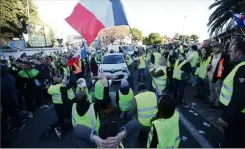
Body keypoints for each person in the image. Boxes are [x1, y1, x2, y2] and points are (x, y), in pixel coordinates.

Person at [216, 39, 245, 148]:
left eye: (231, 51)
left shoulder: (243, 68)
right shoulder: (239, 65)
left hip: (236, 113)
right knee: (232, 136)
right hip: (234, 111)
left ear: (239, 53)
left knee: (235, 138)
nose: (229, 53)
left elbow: (241, 97)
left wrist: (226, 116)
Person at [74, 119, 141, 148]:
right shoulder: (125, 145)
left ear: (99, 135)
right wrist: (123, 134)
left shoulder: (91, 145)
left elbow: (77, 129)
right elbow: (137, 123)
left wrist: (94, 137)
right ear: (117, 134)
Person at [45, 75, 75, 139]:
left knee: (61, 117)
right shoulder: (62, 86)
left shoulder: (51, 86)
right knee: (66, 116)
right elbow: (68, 85)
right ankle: (60, 129)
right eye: (61, 78)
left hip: (58, 104)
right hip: (64, 104)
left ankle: (52, 127)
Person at [1, 64, 25, 131]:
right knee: (9, 112)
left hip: (11, 98)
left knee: (14, 111)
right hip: (5, 98)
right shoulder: (3, 77)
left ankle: (20, 123)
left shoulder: (9, 78)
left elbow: (6, 88)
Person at [207, 42, 230, 110]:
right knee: (211, 90)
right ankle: (212, 101)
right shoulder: (212, 56)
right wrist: (208, 67)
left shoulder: (224, 56)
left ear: (220, 48)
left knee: (218, 91)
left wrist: (222, 76)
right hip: (211, 76)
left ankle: (216, 104)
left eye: (216, 48)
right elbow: (211, 64)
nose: (214, 49)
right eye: (213, 48)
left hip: (219, 78)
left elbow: (226, 68)